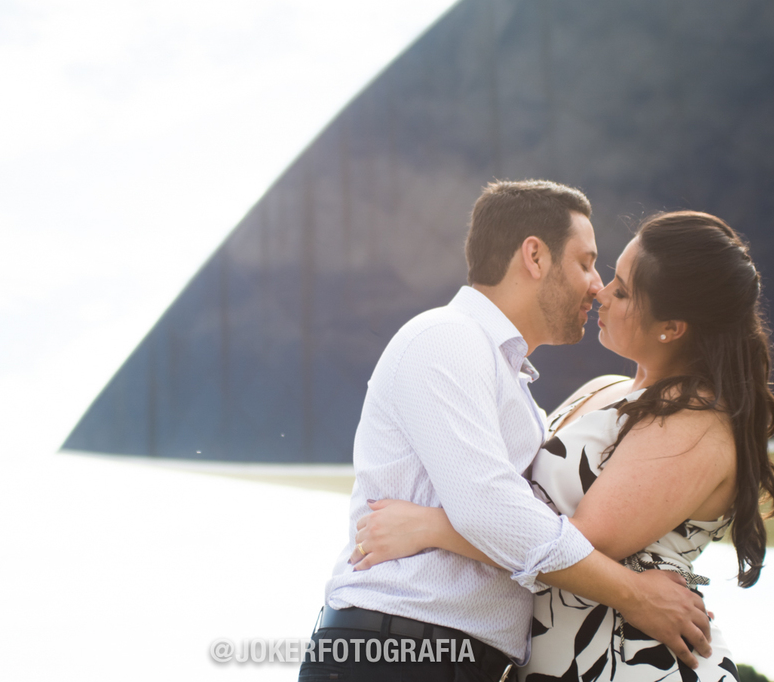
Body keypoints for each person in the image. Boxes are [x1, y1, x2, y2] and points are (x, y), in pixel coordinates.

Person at [299, 181, 714, 682]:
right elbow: (491, 508)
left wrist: (429, 526)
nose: (596, 286)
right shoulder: (447, 338)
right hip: (401, 649)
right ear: (535, 257)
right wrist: (634, 595)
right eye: (586, 262)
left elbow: (524, 518)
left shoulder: (510, 385)